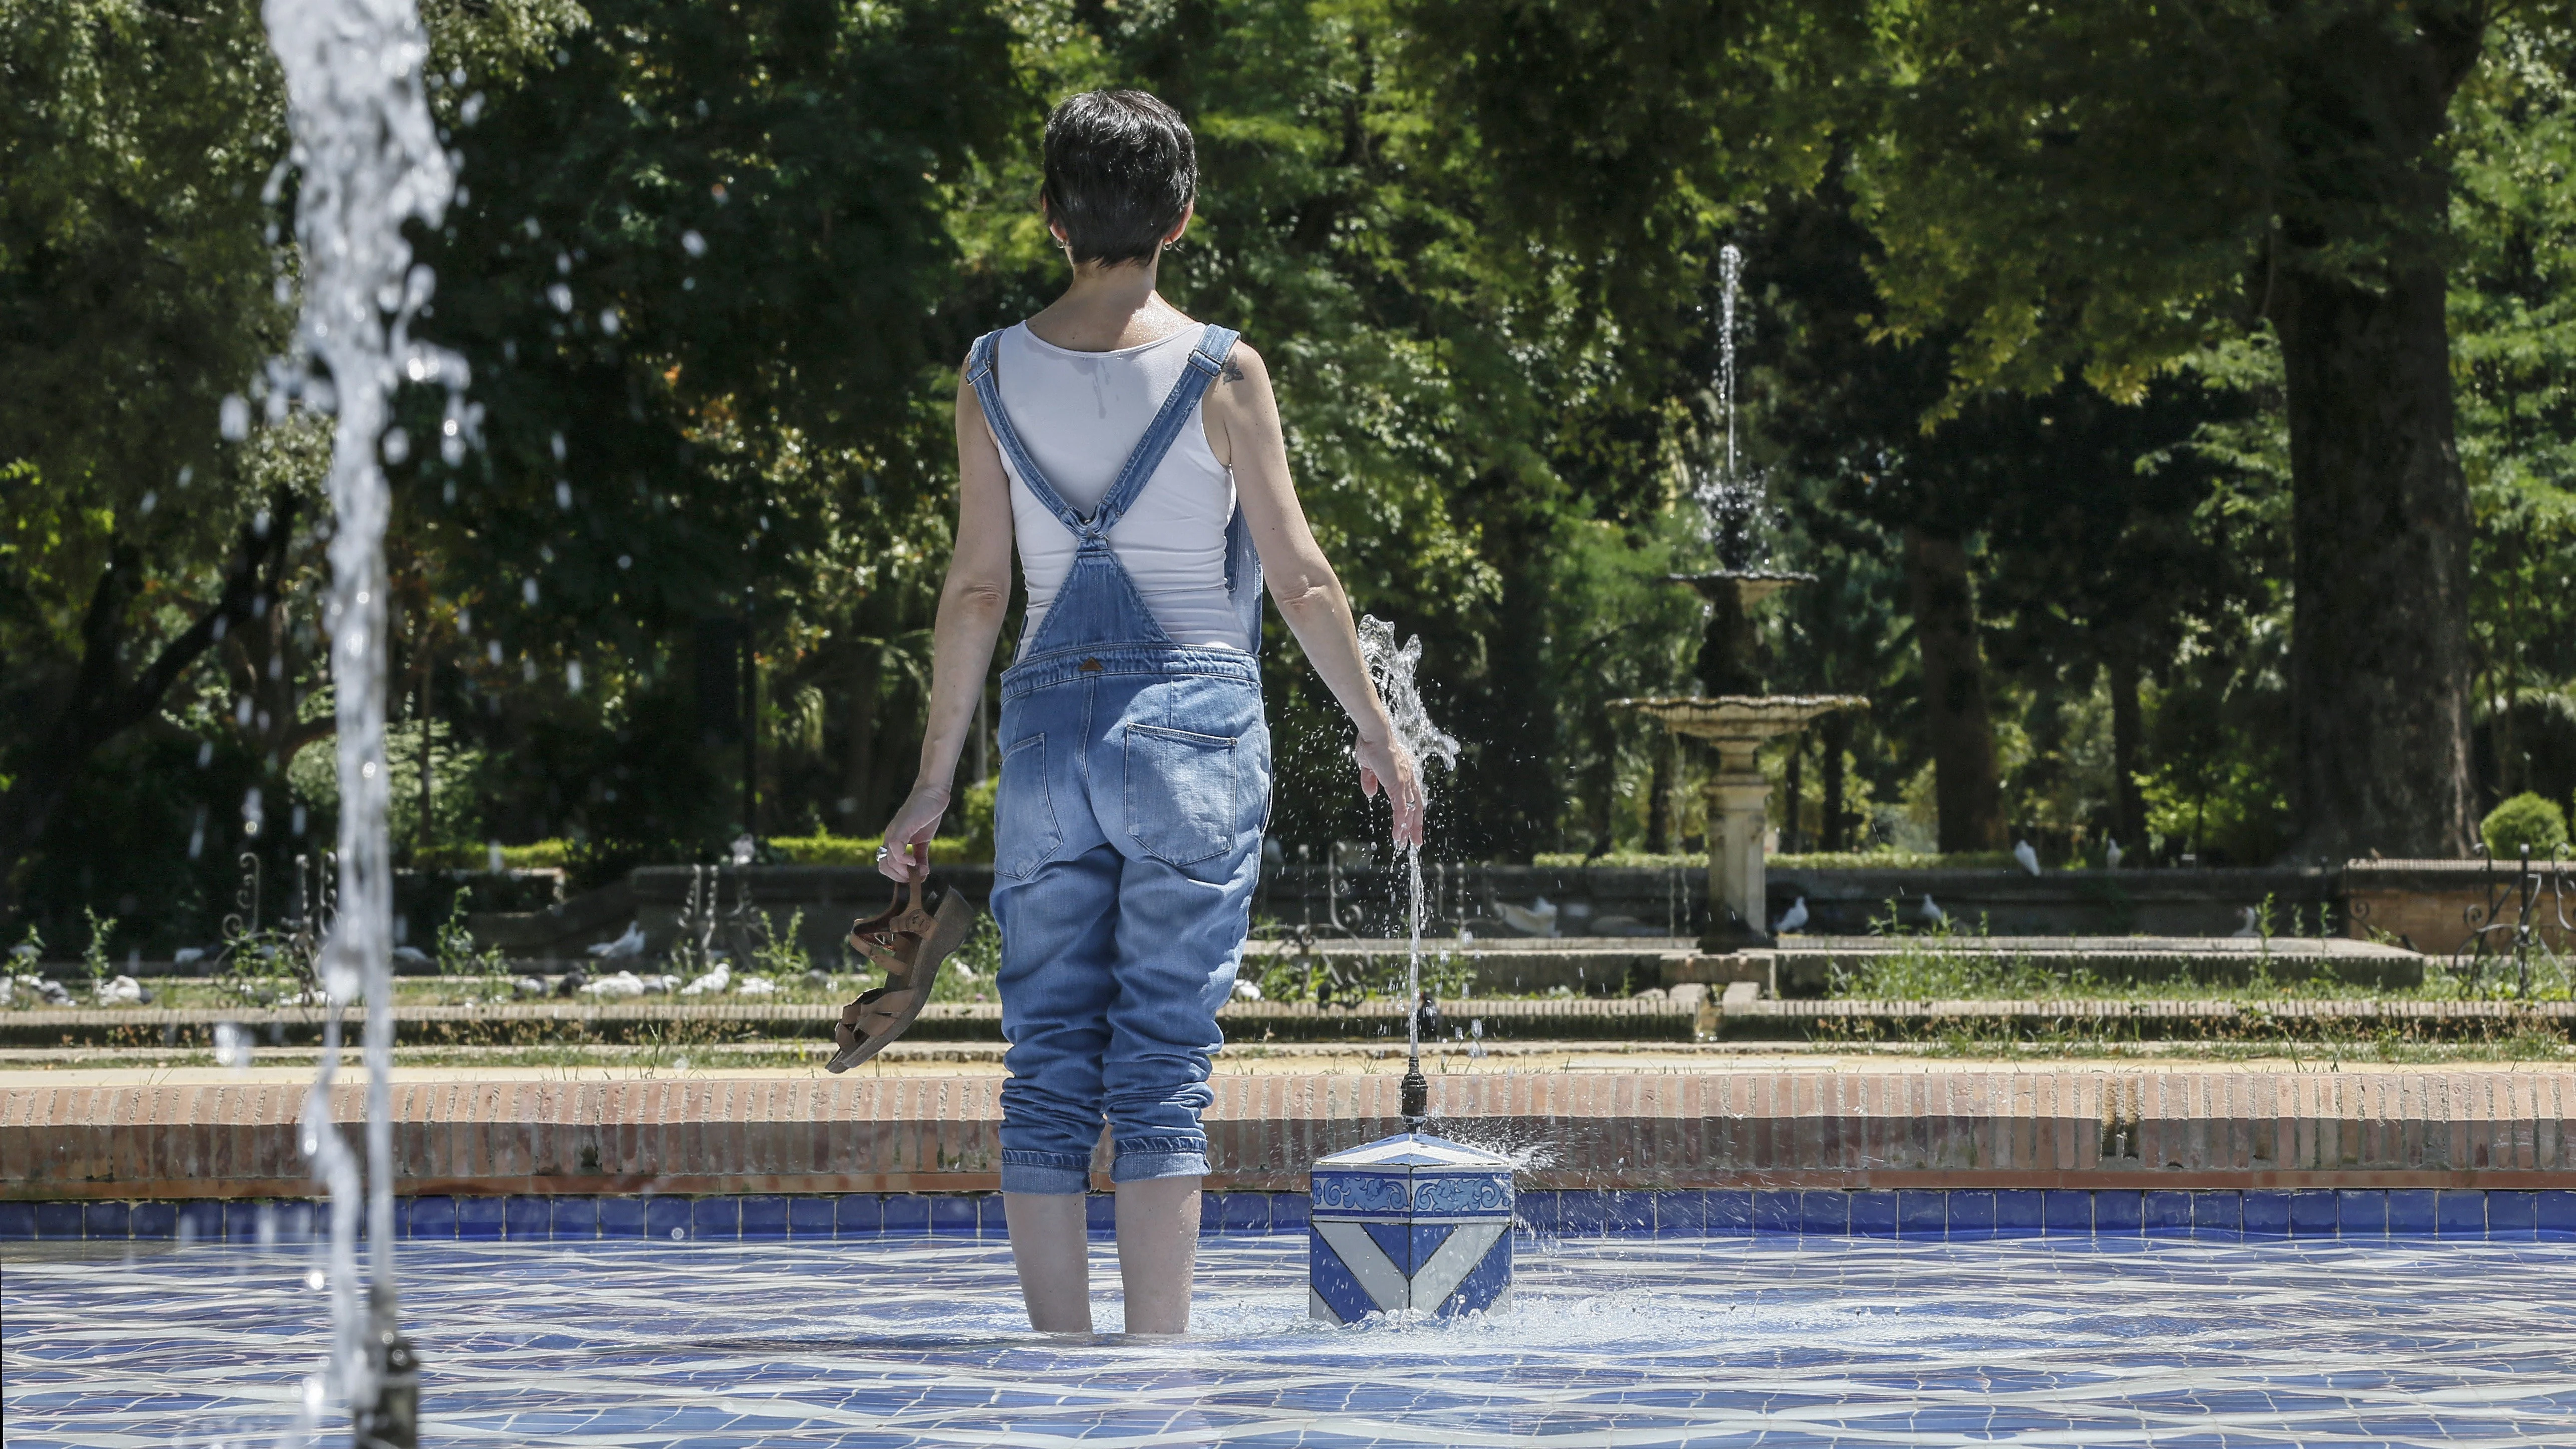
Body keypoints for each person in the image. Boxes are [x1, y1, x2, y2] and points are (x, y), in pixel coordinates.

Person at [872, 88, 1422, 1335]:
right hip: (1191, 730)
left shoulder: (988, 371)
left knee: (1049, 1060)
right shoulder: (1223, 367)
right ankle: (1155, 1373)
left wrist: (930, 781)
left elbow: (975, 588)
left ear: (1047, 218)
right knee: (1163, 1062)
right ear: (1183, 216)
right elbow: (1300, 577)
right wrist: (1377, 732)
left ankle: (1061, 1366)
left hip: (1048, 741)